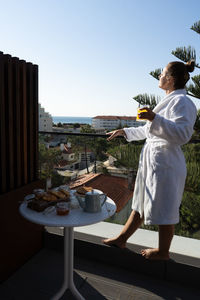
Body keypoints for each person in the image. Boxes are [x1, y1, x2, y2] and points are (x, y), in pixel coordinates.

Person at [103, 60, 197, 260]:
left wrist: (155, 118)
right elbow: (148, 131)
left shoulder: (184, 102)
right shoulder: (169, 100)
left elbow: (183, 135)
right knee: (141, 202)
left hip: (167, 163)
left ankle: (163, 252)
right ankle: (122, 239)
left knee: (165, 207)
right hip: (154, 162)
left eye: (162, 74)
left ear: (170, 79)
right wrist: (125, 131)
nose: (160, 77)